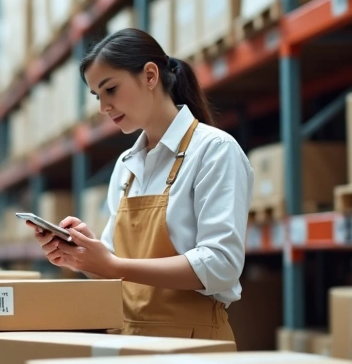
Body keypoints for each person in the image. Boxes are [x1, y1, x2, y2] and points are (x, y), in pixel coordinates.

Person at [28, 28, 252, 340]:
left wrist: (115, 265)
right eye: (97, 96)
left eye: (110, 90)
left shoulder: (214, 150)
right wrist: (82, 255)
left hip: (193, 345)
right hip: (128, 342)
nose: (103, 107)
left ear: (149, 76)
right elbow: (116, 270)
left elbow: (221, 264)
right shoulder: (125, 167)